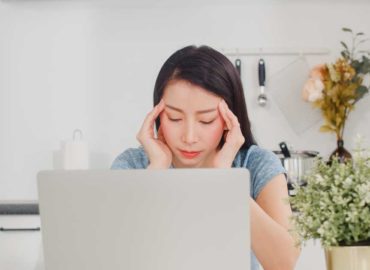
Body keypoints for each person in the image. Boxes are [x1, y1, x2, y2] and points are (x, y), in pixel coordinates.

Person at [111, 45, 300, 270]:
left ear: (230, 118)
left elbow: (284, 263)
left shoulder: (256, 164)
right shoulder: (132, 166)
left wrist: (226, 178)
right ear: (157, 115)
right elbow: (116, 257)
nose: (189, 137)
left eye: (206, 120)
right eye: (174, 118)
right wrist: (156, 176)